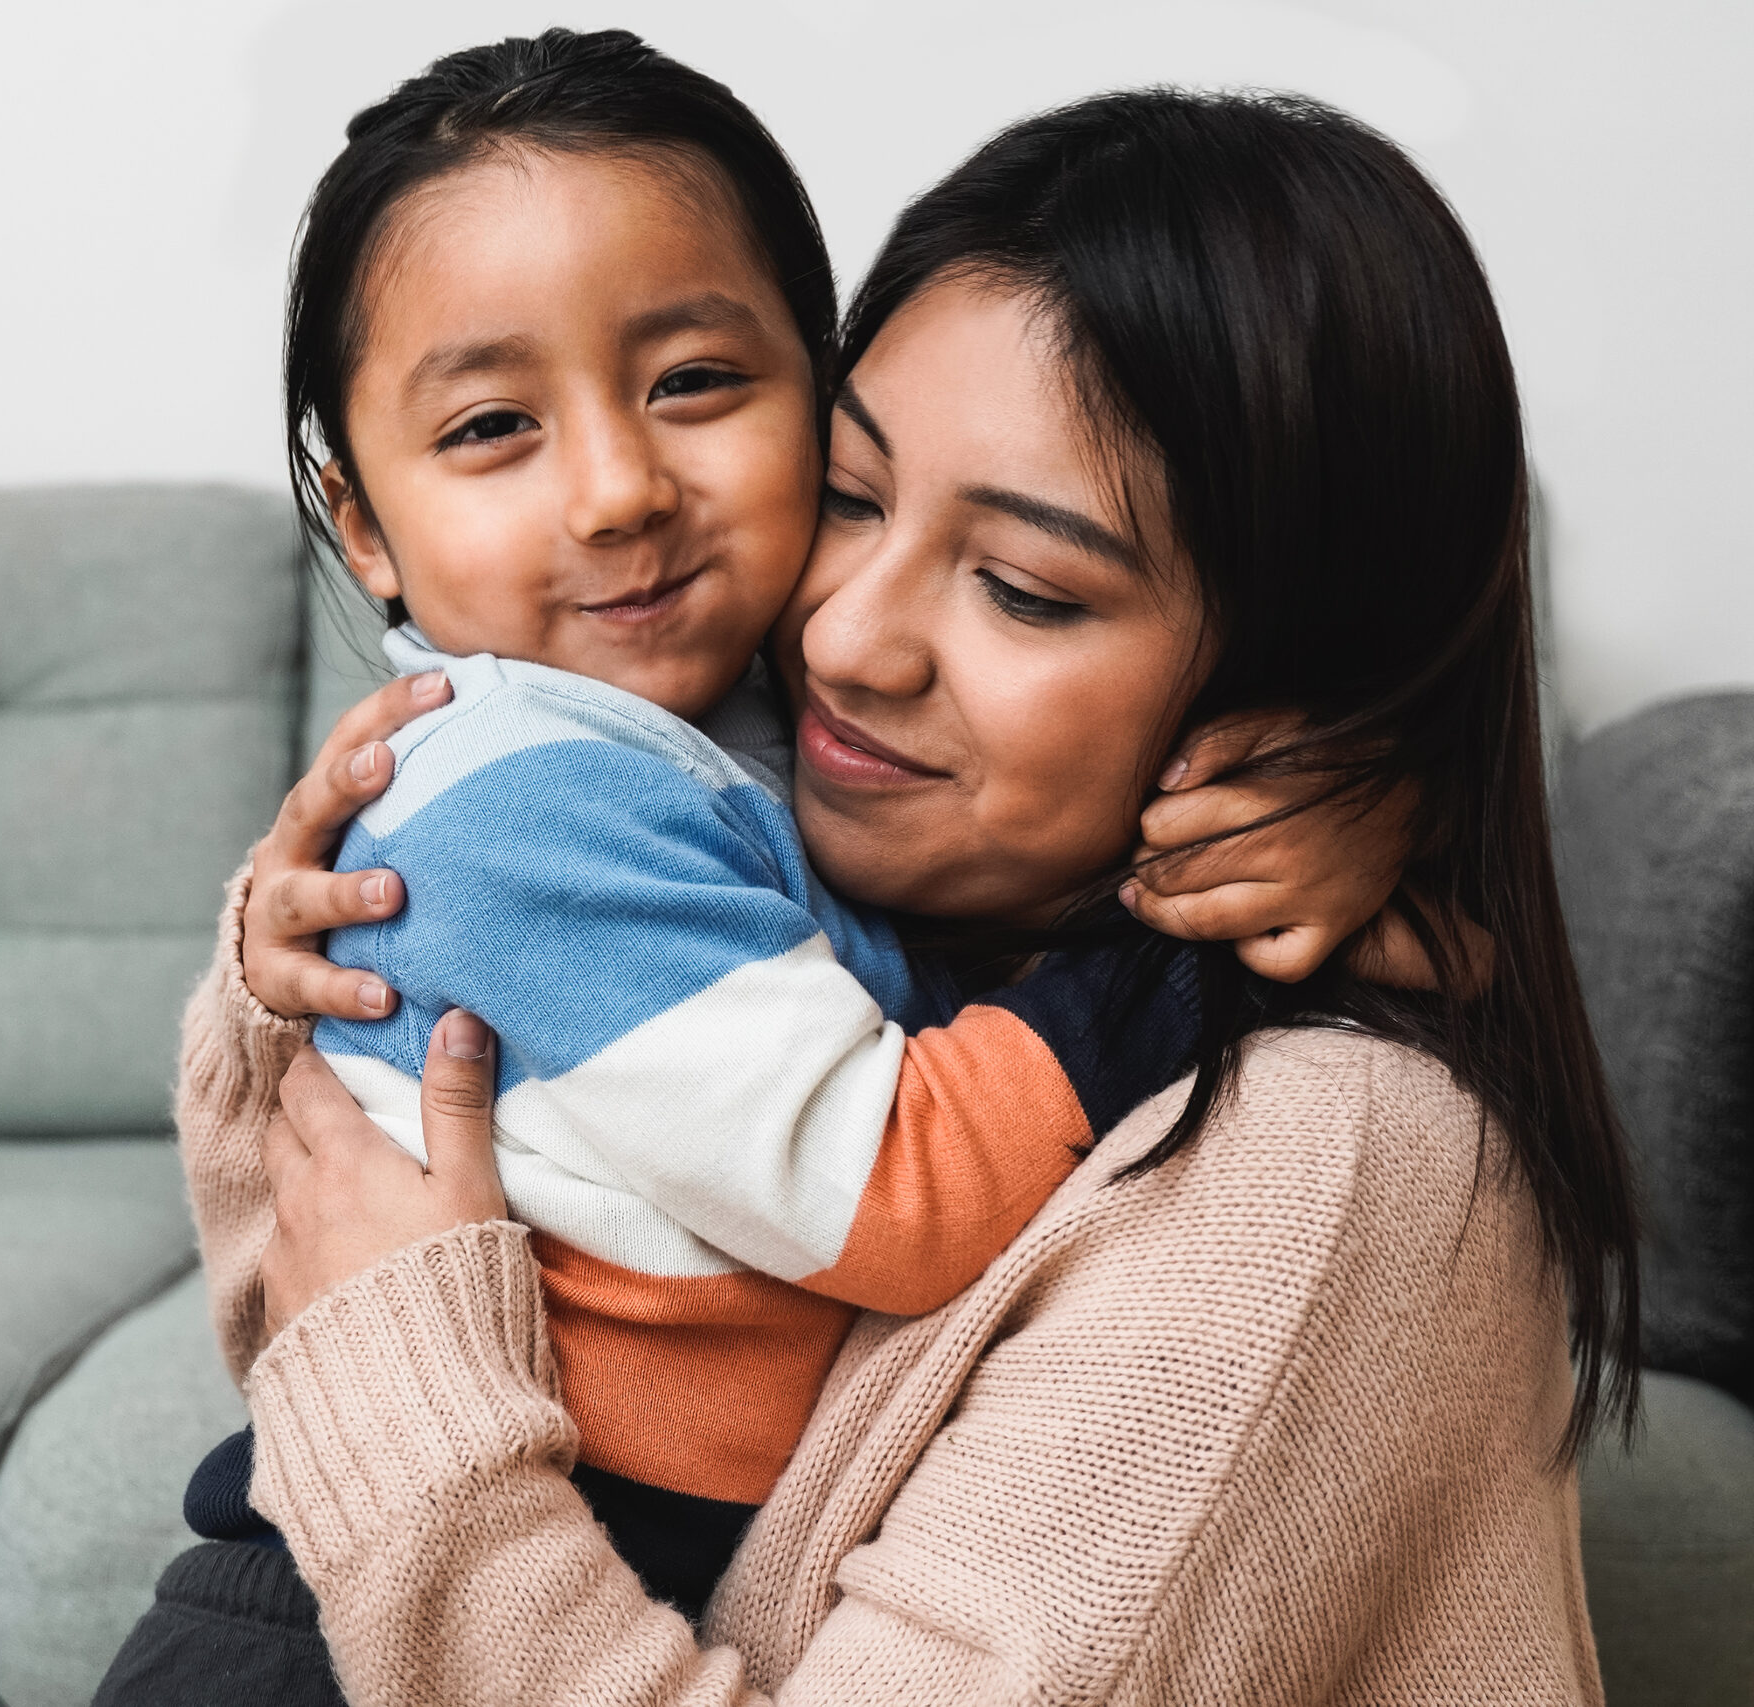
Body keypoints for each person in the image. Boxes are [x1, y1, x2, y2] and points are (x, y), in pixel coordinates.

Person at [135, 84, 1639, 1707]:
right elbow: (291, 1269)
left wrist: (408, 1410)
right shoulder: (861, 880)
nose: (847, 639)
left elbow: (357, 1347)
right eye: (853, 497)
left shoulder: (1323, 1172)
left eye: (1025, 587)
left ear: (1300, 684)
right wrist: (302, 949)